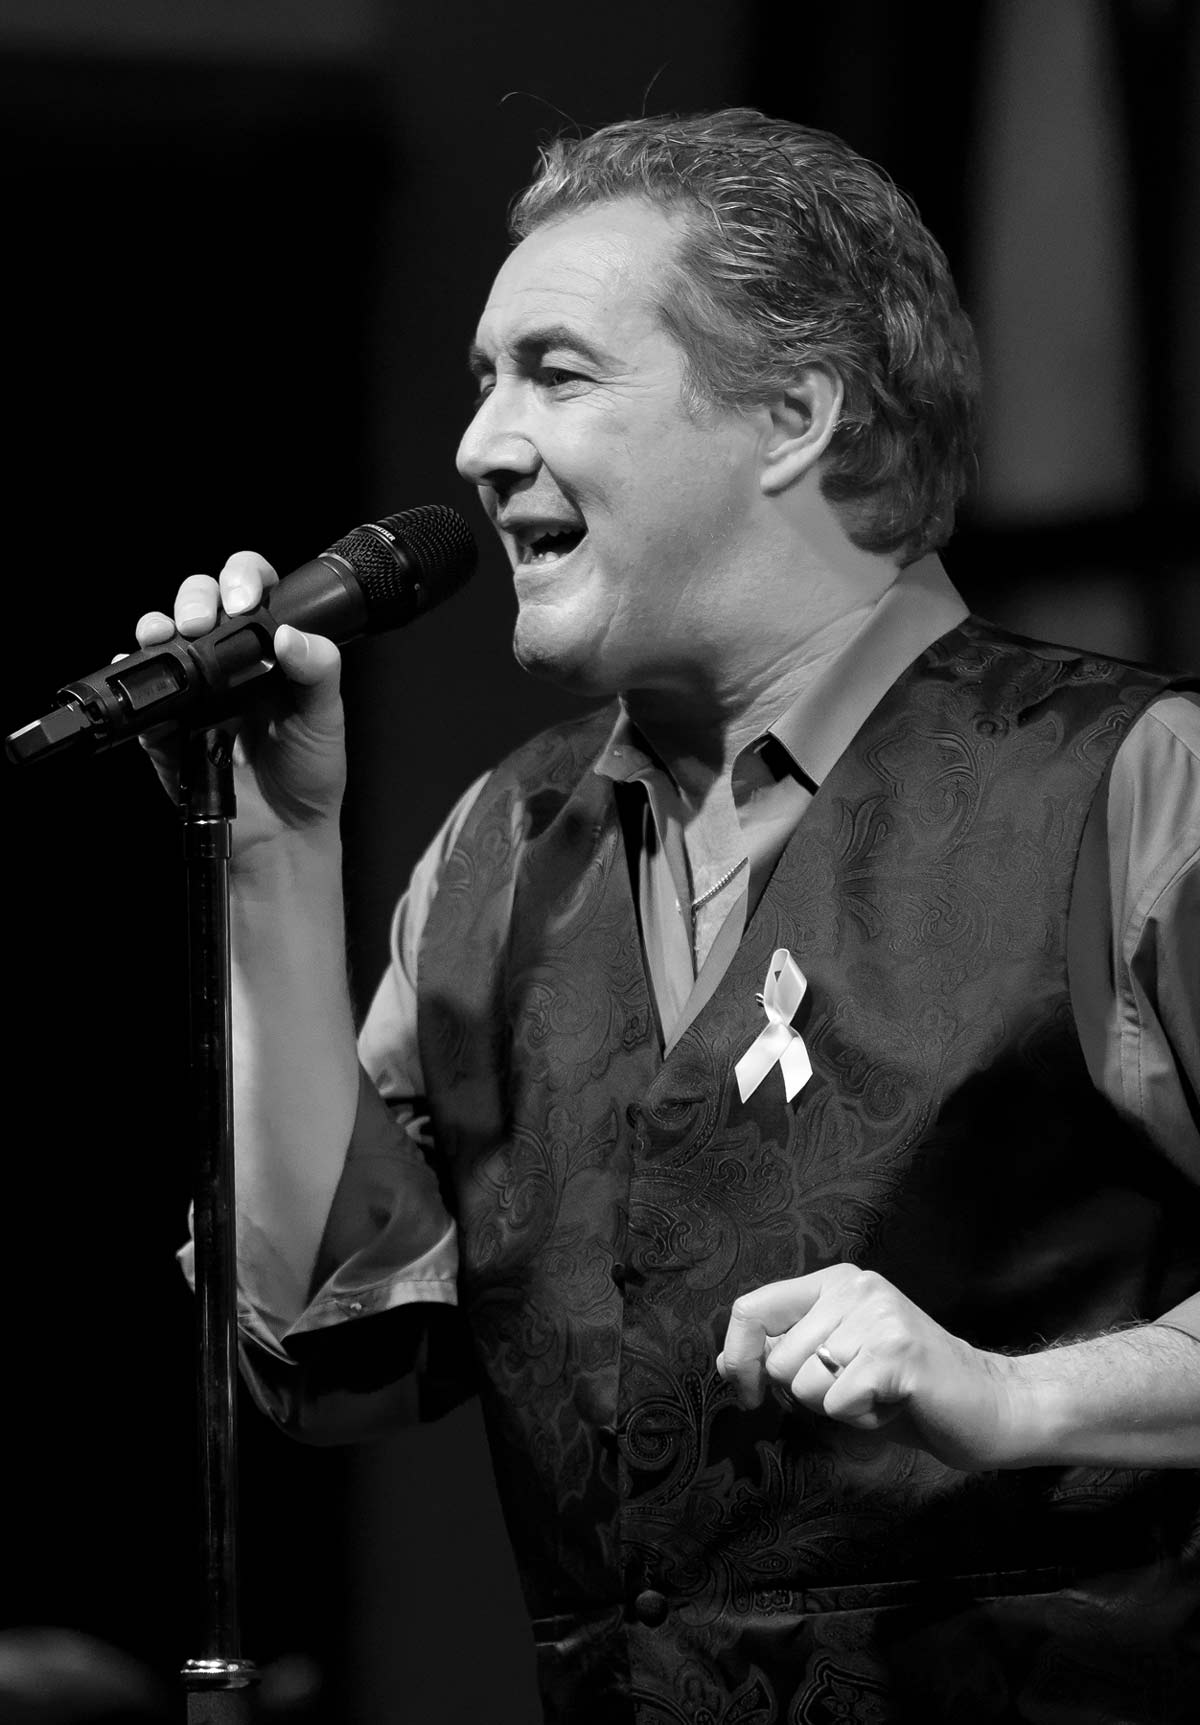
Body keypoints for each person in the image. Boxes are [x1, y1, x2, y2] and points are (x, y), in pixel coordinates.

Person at [146, 111, 1200, 1723]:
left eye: (555, 374)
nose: (480, 444)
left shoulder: (1130, 779)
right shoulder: (503, 849)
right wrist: (277, 854)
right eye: (482, 381)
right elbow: (339, 1350)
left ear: (793, 414)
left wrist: (1012, 1394)